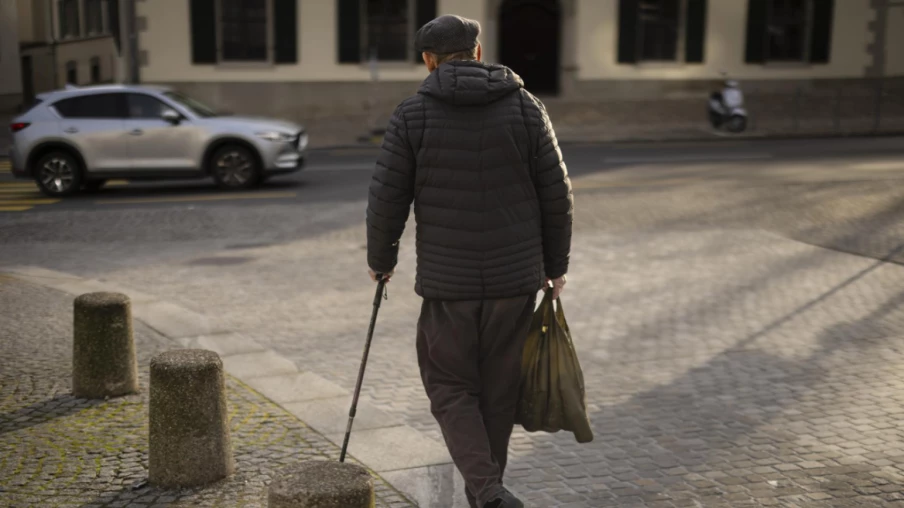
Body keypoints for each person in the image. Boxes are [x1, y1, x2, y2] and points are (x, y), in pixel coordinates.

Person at [366, 14, 573, 508]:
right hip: (514, 282)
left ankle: (486, 491)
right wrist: (555, 264)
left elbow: (387, 197)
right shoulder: (527, 108)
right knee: (498, 391)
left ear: (428, 60)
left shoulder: (412, 114)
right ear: (478, 52)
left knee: (450, 386)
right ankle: (489, 495)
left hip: (448, 285)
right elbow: (557, 195)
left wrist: (382, 259)